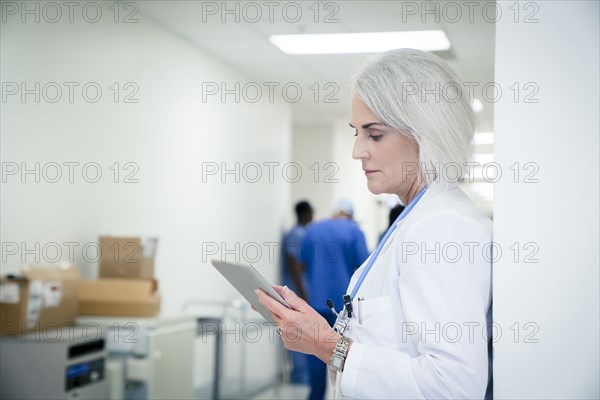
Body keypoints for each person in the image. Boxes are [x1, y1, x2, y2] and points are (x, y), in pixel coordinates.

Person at [257, 48, 493, 400]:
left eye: (374, 134)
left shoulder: (442, 227)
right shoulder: (415, 220)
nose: (357, 151)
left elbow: (452, 386)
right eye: (356, 132)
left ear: (425, 133)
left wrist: (326, 345)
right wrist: (318, 330)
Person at [297, 199, 369, 400]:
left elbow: (301, 264)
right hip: (343, 311)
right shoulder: (354, 231)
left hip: (316, 305)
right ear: (351, 215)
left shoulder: (312, 230)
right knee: (346, 363)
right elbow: (366, 268)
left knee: (316, 360)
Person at [281, 200, 313, 384]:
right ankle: (299, 374)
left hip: (297, 288)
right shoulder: (296, 234)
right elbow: (293, 261)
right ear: (305, 213)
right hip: (295, 289)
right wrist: (302, 292)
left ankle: (301, 374)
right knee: (296, 331)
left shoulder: (299, 233)